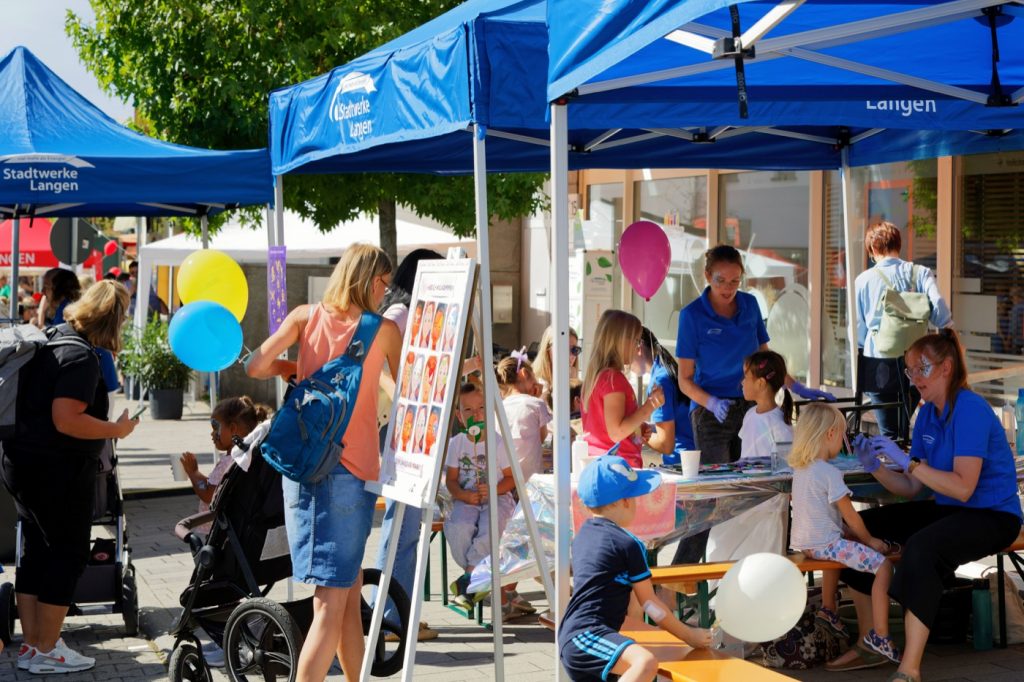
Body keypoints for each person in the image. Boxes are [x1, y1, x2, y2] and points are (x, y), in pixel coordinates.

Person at [245, 243, 401, 681]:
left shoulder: (303, 316)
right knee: (330, 604)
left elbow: (256, 366)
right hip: (351, 473)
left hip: (301, 468)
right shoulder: (382, 329)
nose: (385, 293)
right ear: (372, 281)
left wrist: (288, 368)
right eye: (385, 284)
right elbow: (410, 391)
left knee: (346, 594)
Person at [830, 329, 1022, 681]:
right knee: (859, 530)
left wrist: (909, 462)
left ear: (946, 367)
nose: (914, 377)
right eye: (909, 370)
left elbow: (963, 488)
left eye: (922, 368)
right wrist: (875, 465)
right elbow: (912, 488)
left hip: (993, 515)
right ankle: (871, 642)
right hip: (951, 509)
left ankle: (910, 668)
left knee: (922, 549)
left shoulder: (970, 409)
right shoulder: (927, 414)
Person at [0, 280, 138, 674]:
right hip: (55, 470)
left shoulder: (51, 337)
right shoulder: (81, 358)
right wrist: (116, 430)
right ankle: (46, 648)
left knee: (38, 551)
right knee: (68, 552)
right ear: (114, 320)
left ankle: (34, 645)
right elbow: (66, 419)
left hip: (19, 461)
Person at [558, 455, 712, 681]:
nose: (636, 503)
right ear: (623, 502)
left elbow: (624, 596)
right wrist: (690, 635)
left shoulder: (584, 533)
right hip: (589, 635)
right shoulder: (628, 543)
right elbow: (650, 604)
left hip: (577, 634)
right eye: (634, 497)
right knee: (645, 663)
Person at [676, 245, 834, 465]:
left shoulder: (749, 305)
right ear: (707, 275)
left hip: (753, 404)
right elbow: (684, 380)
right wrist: (712, 403)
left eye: (735, 281)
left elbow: (766, 359)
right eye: (720, 280)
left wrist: (797, 388)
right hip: (710, 412)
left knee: (755, 478)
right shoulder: (691, 316)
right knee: (720, 484)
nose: (728, 288)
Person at [788, 403, 898, 662]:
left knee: (837, 544)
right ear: (829, 435)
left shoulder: (801, 469)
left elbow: (817, 512)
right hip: (825, 543)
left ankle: (829, 609)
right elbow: (850, 514)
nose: (843, 441)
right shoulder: (830, 472)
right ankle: (880, 634)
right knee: (883, 567)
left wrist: (847, 532)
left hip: (806, 543)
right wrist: (869, 540)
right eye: (842, 435)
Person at [854, 220, 952, 439]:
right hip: (918, 365)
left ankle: (897, 466)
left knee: (890, 434)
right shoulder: (921, 273)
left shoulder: (862, 280)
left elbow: (859, 331)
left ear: (872, 249)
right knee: (903, 429)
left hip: (879, 364)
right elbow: (942, 315)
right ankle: (908, 466)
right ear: (898, 244)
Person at [444, 382, 519, 618]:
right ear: (459, 416)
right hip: (467, 499)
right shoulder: (457, 444)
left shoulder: (497, 442)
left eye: (481, 408)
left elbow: (511, 479)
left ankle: (469, 580)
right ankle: (477, 575)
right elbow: (452, 481)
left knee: (491, 526)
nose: (476, 414)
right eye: (469, 410)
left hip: (497, 498)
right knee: (458, 526)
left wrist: (494, 489)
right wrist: (464, 495)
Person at [581, 310, 663, 468]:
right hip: (619, 468)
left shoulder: (598, 378)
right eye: (636, 341)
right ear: (620, 341)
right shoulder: (613, 379)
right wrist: (651, 405)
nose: (638, 349)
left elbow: (609, 426)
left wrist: (638, 427)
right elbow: (617, 432)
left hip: (602, 465)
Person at [180, 396, 272, 520]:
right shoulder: (246, 458)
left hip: (222, 528)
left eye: (215, 428)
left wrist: (193, 472)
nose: (212, 433)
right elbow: (218, 485)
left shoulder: (230, 462)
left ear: (233, 429)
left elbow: (209, 494)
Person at [636, 327, 694, 465]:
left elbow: (666, 445)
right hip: (692, 458)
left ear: (638, 348)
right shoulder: (667, 370)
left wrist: (636, 431)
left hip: (680, 464)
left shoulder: (659, 382)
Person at [496, 354, 551, 481]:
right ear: (525, 373)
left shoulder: (499, 407)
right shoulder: (536, 404)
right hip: (530, 479)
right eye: (534, 377)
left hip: (504, 478)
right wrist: (537, 398)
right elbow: (542, 437)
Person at [737, 350, 793, 459]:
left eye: (746, 377)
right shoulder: (749, 414)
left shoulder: (779, 425)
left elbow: (785, 467)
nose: (742, 382)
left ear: (760, 383)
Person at [533, 324, 581, 397]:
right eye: (564, 349)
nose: (571, 355)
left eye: (575, 350)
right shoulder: (535, 383)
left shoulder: (576, 380)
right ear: (547, 350)